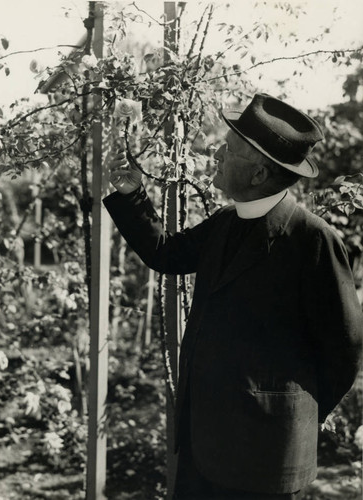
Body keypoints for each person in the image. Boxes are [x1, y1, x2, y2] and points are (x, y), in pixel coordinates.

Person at [103, 93, 363, 500]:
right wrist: (134, 194)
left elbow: (344, 350)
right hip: (202, 448)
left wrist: (294, 414)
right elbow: (167, 253)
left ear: (259, 174)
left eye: (230, 149)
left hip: (266, 461)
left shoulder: (313, 241)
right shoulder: (226, 221)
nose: (217, 153)